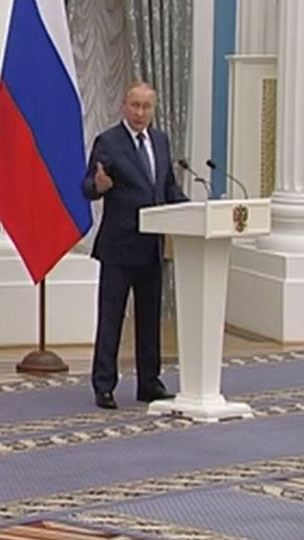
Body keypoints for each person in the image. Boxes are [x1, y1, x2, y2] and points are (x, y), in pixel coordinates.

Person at [82, 81, 187, 410]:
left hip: (152, 247)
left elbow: (168, 188)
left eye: (146, 107)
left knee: (149, 319)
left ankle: (149, 382)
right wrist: (99, 185)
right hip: (119, 247)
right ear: (124, 106)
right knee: (111, 318)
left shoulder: (161, 141)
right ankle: (104, 385)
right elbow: (88, 186)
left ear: (153, 110)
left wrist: (195, 209)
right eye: (135, 105)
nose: (140, 112)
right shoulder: (109, 142)